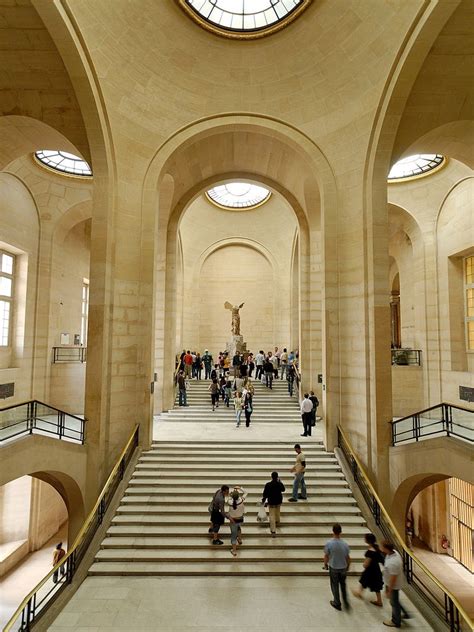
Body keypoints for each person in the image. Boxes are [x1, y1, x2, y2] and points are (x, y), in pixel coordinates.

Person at [381, 541, 410, 627]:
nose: (381, 548)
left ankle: (396, 621)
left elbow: (393, 579)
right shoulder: (394, 553)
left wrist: (389, 590)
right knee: (395, 601)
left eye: (382, 547)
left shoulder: (393, 562)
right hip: (390, 582)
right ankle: (405, 614)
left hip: (393, 585)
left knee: (394, 602)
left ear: (386, 549)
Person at [324, 523, 351, 611]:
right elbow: (348, 557)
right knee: (343, 585)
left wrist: (325, 564)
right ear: (340, 532)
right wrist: (348, 566)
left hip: (334, 567)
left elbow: (326, 556)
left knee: (334, 585)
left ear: (333, 531)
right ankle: (346, 601)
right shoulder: (345, 544)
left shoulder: (329, 543)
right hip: (343, 567)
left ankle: (337, 602)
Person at [352, 533, 384, 607]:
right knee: (371, 583)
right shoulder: (376, 548)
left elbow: (366, 563)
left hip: (370, 570)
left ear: (368, 540)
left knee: (365, 580)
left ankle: (360, 593)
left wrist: (364, 564)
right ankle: (378, 600)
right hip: (376, 569)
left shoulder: (370, 551)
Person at [262, 471, 285, 537]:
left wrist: (264, 500)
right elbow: (283, 489)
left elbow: (265, 494)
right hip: (278, 501)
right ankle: (277, 521)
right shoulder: (279, 484)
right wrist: (280, 482)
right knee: (277, 512)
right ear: (277, 477)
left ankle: (273, 530)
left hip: (271, 502)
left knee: (271, 516)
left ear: (271, 477)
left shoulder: (268, 484)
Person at [227, 487, 246, 556]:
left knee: (233, 535)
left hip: (233, 520)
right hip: (240, 519)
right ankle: (240, 539)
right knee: (239, 528)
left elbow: (229, 497)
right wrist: (240, 488)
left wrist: (231, 492)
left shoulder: (230, 502)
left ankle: (234, 550)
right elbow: (246, 493)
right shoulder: (241, 500)